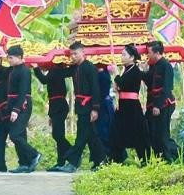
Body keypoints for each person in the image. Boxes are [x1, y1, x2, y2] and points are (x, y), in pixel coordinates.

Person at [49, 42, 107, 173]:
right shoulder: (74, 68)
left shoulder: (90, 67)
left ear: (83, 52)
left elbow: (95, 89)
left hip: (88, 106)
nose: (73, 57)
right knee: (91, 136)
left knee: (81, 136)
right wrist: (50, 64)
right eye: (71, 54)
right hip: (80, 106)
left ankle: (73, 163)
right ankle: (102, 160)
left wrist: (95, 109)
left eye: (75, 53)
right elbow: (61, 74)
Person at [0, 46, 42, 173]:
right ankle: (20, 164)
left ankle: (34, 155)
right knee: (9, 135)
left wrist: (16, 109)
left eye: (11, 58)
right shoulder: (12, 70)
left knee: (16, 134)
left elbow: (23, 92)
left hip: (20, 105)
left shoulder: (24, 71)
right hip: (10, 106)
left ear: (19, 57)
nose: (9, 60)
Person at [109, 45, 149, 164]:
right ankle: (117, 159)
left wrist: (116, 75)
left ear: (132, 57)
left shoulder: (135, 70)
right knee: (116, 132)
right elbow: (118, 87)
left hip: (132, 106)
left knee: (137, 134)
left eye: (124, 55)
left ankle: (144, 160)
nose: (122, 57)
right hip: (123, 105)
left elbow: (123, 83)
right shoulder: (126, 69)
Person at [145, 41, 180, 163]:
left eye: (149, 52)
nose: (147, 55)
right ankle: (160, 158)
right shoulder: (154, 66)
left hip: (164, 104)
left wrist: (158, 106)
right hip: (154, 104)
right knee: (153, 133)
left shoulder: (166, 66)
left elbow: (166, 88)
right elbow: (149, 83)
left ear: (157, 52)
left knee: (163, 134)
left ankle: (169, 159)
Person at [34, 62, 74, 167]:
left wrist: (36, 68)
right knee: (59, 135)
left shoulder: (55, 71)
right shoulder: (59, 71)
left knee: (57, 135)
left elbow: (43, 80)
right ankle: (61, 161)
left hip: (58, 106)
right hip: (57, 105)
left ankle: (73, 154)